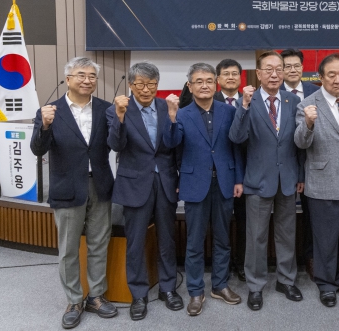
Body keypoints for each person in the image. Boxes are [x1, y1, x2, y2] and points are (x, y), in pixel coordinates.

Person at [30, 57, 117, 329]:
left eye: (92, 76)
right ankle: (74, 300)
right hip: (67, 187)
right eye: (81, 75)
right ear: (68, 79)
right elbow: (38, 149)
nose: (87, 80)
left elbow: (115, 143)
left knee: (99, 243)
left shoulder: (106, 108)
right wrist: (44, 126)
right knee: (68, 249)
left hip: (100, 184)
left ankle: (96, 296)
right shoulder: (50, 111)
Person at [163, 63, 245, 317]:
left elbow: (236, 147)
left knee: (223, 239)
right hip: (194, 183)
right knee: (195, 242)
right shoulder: (181, 113)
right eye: (199, 81)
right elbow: (172, 144)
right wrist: (172, 117)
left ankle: (220, 285)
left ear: (216, 83)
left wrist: (238, 179)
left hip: (224, 182)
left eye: (209, 80)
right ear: (190, 86)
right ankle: (196, 291)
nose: (205, 85)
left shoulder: (229, 111)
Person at [229, 51, 305, 311]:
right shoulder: (247, 102)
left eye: (279, 69)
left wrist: (300, 175)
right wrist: (244, 106)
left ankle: (286, 280)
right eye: (268, 70)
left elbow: (299, 143)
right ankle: (255, 285)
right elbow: (236, 138)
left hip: (288, 179)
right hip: (258, 180)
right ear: (258, 74)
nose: (275, 74)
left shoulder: (293, 100)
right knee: (256, 237)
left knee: (287, 234)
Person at [107, 62, 183, 320]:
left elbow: (174, 144)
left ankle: (168, 288)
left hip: (165, 181)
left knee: (167, 239)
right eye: (140, 84)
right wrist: (119, 117)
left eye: (152, 84)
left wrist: (173, 117)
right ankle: (138, 295)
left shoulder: (165, 106)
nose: (146, 89)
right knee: (136, 241)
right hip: (134, 182)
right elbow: (116, 145)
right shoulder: (118, 109)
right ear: (131, 85)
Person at [294, 53, 339, 308]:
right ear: (321, 77)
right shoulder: (307, 104)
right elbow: (300, 142)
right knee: (325, 238)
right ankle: (326, 284)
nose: (338, 79)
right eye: (332, 75)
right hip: (323, 180)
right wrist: (308, 123)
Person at [279, 48, 320, 278]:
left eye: (296, 66)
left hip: (314, 163)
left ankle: (311, 257)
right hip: (285, 164)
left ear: (303, 68)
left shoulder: (316, 92)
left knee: (312, 215)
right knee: (284, 218)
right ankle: (286, 264)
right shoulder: (274, 94)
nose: (292, 70)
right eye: (287, 66)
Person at [213, 58, 247, 283]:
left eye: (235, 73)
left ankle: (242, 264)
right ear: (218, 79)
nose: (231, 77)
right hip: (219, 173)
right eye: (226, 74)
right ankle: (221, 268)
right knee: (220, 225)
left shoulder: (251, 101)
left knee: (245, 223)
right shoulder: (208, 100)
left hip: (248, 172)